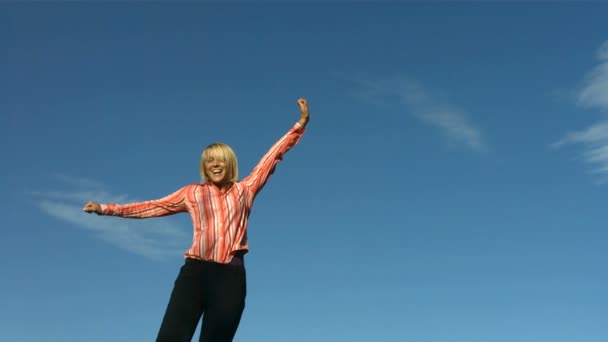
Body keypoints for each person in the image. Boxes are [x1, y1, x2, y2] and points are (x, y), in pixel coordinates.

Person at [83, 98, 310, 342]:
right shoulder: (192, 193)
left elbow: (271, 157)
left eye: (220, 159)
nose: (215, 164)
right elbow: (151, 207)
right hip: (195, 275)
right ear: (204, 166)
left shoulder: (245, 190)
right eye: (210, 161)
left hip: (230, 279)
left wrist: (299, 125)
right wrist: (105, 208)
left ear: (230, 163)